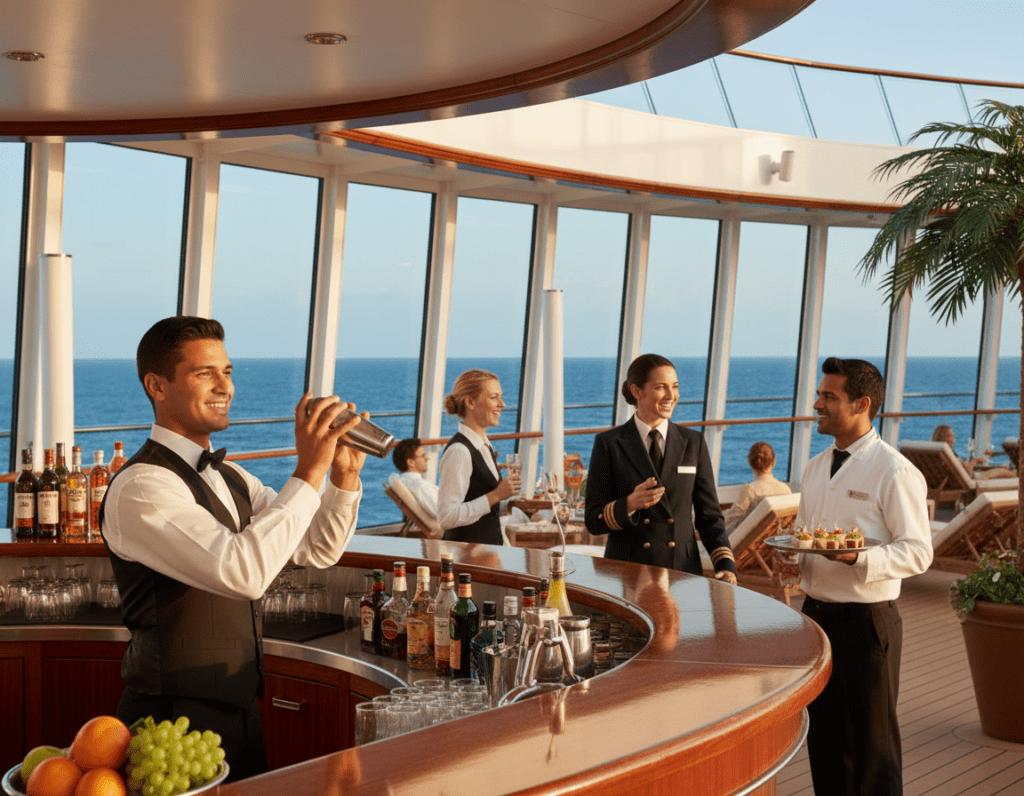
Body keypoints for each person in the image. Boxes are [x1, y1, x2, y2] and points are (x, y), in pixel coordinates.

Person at [99, 316, 367, 783]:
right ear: (157, 386)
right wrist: (308, 470)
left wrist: (343, 476)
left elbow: (316, 548)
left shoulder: (232, 476)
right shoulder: (141, 487)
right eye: (205, 373)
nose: (225, 386)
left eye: (227, 371)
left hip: (239, 709)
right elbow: (244, 572)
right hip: (169, 719)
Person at [795, 356, 932, 796]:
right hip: (815, 620)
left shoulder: (895, 471)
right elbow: (805, 535)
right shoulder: (816, 467)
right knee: (825, 747)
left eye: (828, 397)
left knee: (874, 755)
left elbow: (918, 552)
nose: (817, 404)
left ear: (862, 404)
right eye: (819, 395)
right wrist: (793, 559)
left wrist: (859, 559)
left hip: (866, 624)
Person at [584, 353, 737, 584]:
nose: (671, 395)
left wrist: (725, 565)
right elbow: (593, 521)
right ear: (637, 392)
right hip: (629, 572)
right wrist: (629, 504)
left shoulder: (693, 442)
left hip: (682, 572)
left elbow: (710, 517)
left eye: (674, 386)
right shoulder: (610, 444)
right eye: (660, 387)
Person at [437, 369, 520, 545]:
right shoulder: (459, 451)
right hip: (466, 557)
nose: (502, 404)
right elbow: (446, 517)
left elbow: (483, 507)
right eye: (494, 397)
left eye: (501, 397)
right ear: (470, 402)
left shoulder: (484, 446)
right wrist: (496, 495)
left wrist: (506, 502)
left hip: (489, 553)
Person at [723, 441, 792, 533]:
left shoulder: (750, 490)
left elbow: (732, 517)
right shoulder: (785, 490)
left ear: (750, 462)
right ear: (774, 461)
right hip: (774, 537)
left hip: (749, 538)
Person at [931, 424, 1015, 479]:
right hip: (967, 478)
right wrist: (976, 461)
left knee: (999, 471)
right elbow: (966, 469)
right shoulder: (947, 454)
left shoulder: (935, 453)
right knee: (1001, 471)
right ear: (947, 438)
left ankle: (1015, 473)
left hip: (951, 480)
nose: (953, 440)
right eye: (952, 436)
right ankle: (1017, 475)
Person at [389, 437, 439, 519]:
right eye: (423, 455)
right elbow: (443, 515)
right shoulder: (420, 486)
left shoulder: (403, 480)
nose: (427, 458)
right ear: (411, 462)